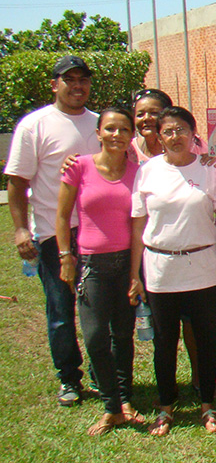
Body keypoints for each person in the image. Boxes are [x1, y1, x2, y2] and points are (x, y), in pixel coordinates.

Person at [129, 106, 216, 435]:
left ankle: (207, 405)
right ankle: (165, 407)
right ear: (159, 137)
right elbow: (137, 228)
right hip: (161, 268)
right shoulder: (147, 172)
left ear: (194, 135)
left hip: (203, 266)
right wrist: (134, 275)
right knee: (165, 340)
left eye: (181, 130)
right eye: (168, 131)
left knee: (206, 338)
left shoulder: (209, 169)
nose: (175, 137)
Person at [5, 55, 100, 406]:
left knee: (99, 308)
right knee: (61, 309)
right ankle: (69, 379)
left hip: (99, 233)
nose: (77, 86)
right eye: (69, 79)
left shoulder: (101, 123)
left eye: (83, 79)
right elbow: (17, 182)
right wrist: (20, 231)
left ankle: (101, 373)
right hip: (53, 233)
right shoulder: (35, 125)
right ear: (54, 84)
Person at [55, 107, 143, 434]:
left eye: (123, 129)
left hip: (126, 263)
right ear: (99, 133)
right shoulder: (79, 167)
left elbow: (138, 226)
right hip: (92, 264)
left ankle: (124, 401)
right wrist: (66, 256)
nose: (117, 134)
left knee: (123, 336)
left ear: (131, 135)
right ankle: (110, 405)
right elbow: (62, 216)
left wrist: (136, 273)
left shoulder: (138, 172)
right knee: (94, 338)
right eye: (110, 128)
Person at [127, 88, 202, 392]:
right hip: (143, 243)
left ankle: (200, 379)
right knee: (156, 324)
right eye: (141, 112)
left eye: (155, 112)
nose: (147, 118)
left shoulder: (190, 148)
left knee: (192, 321)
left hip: (186, 247)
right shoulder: (128, 150)